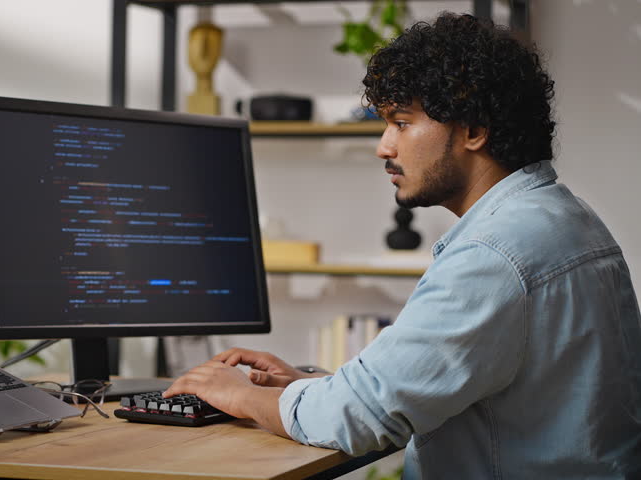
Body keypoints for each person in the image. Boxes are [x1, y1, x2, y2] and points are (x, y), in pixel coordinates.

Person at [164, 12, 641, 479]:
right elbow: (453, 383)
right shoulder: (566, 219)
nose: (384, 146)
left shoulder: (495, 253)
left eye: (402, 122)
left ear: (473, 130)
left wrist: (238, 395)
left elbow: (357, 419)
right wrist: (310, 387)